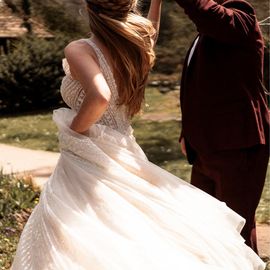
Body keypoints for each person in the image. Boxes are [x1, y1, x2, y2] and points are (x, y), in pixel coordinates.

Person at [11, 0, 265, 269]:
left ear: (89, 8)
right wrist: (155, 2)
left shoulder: (80, 49)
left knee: (78, 223)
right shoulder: (135, 44)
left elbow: (99, 97)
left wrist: (74, 131)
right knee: (126, 224)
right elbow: (150, 32)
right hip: (122, 147)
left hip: (88, 148)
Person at [175, 0, 270, 253]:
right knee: (207, 228)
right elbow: (201, 89)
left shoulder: (242, 18)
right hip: (205, 147)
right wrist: (188, 132)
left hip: (238, 145)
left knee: (235, 230)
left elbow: (205, 12)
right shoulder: (207, 31)